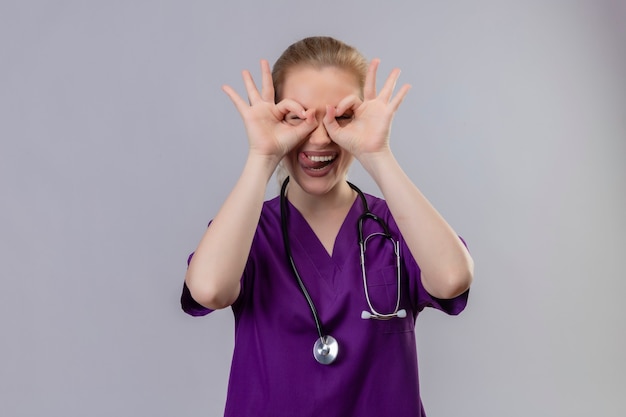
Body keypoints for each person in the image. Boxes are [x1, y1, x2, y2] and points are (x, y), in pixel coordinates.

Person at [181, 36, 474, 417]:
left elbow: (452, 277)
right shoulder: (248, 228)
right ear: (275, 117)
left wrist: (377, 154)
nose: (320, 136)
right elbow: (208, 290)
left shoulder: (394, 225)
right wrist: (261, 155)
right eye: (296, 116)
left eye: (343, 117)